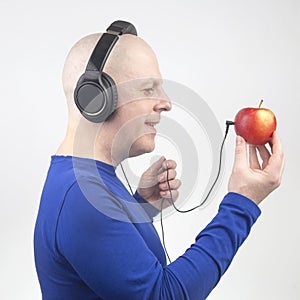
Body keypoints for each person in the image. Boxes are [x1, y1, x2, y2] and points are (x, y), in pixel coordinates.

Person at [34, 21, 285, 300]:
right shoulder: (81, 196)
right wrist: (242, 202)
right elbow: (163, 295)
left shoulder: (85, 181)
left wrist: (140, 207)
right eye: (148, 89)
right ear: (97, 99)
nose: (166, 103)